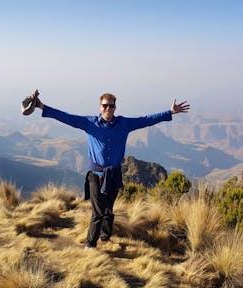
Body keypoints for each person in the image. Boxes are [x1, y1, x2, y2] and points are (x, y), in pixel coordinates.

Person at [33, 90, 190, 249]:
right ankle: (90, 244)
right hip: (95, 175)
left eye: (111, 106)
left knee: (108, 209)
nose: (108, 108)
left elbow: (146, 120)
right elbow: (65, 117)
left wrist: (169, 112)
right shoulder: (90, 123)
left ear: (115, 107)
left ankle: (105, 237)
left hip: (114, 175)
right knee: (98, 212)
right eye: (105, 106)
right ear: (100, 107)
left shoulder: (124, 124)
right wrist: (41, 106)